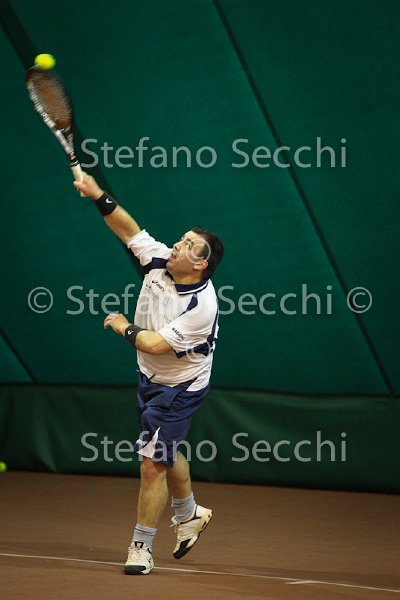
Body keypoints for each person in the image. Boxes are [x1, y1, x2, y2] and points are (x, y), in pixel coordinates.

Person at [74, 174, 224, 575]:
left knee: (151, 462)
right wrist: (97, 193)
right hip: (151, 378)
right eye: (181, 239)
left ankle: (141, 546)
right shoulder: (159, 260)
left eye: (188, 246)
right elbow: (128, 228)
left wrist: (122, 325)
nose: (177, 245)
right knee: (162, 448)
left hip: (180, 386)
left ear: (201, 263)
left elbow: (154, 343)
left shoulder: (201, 307)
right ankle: (189, 513)